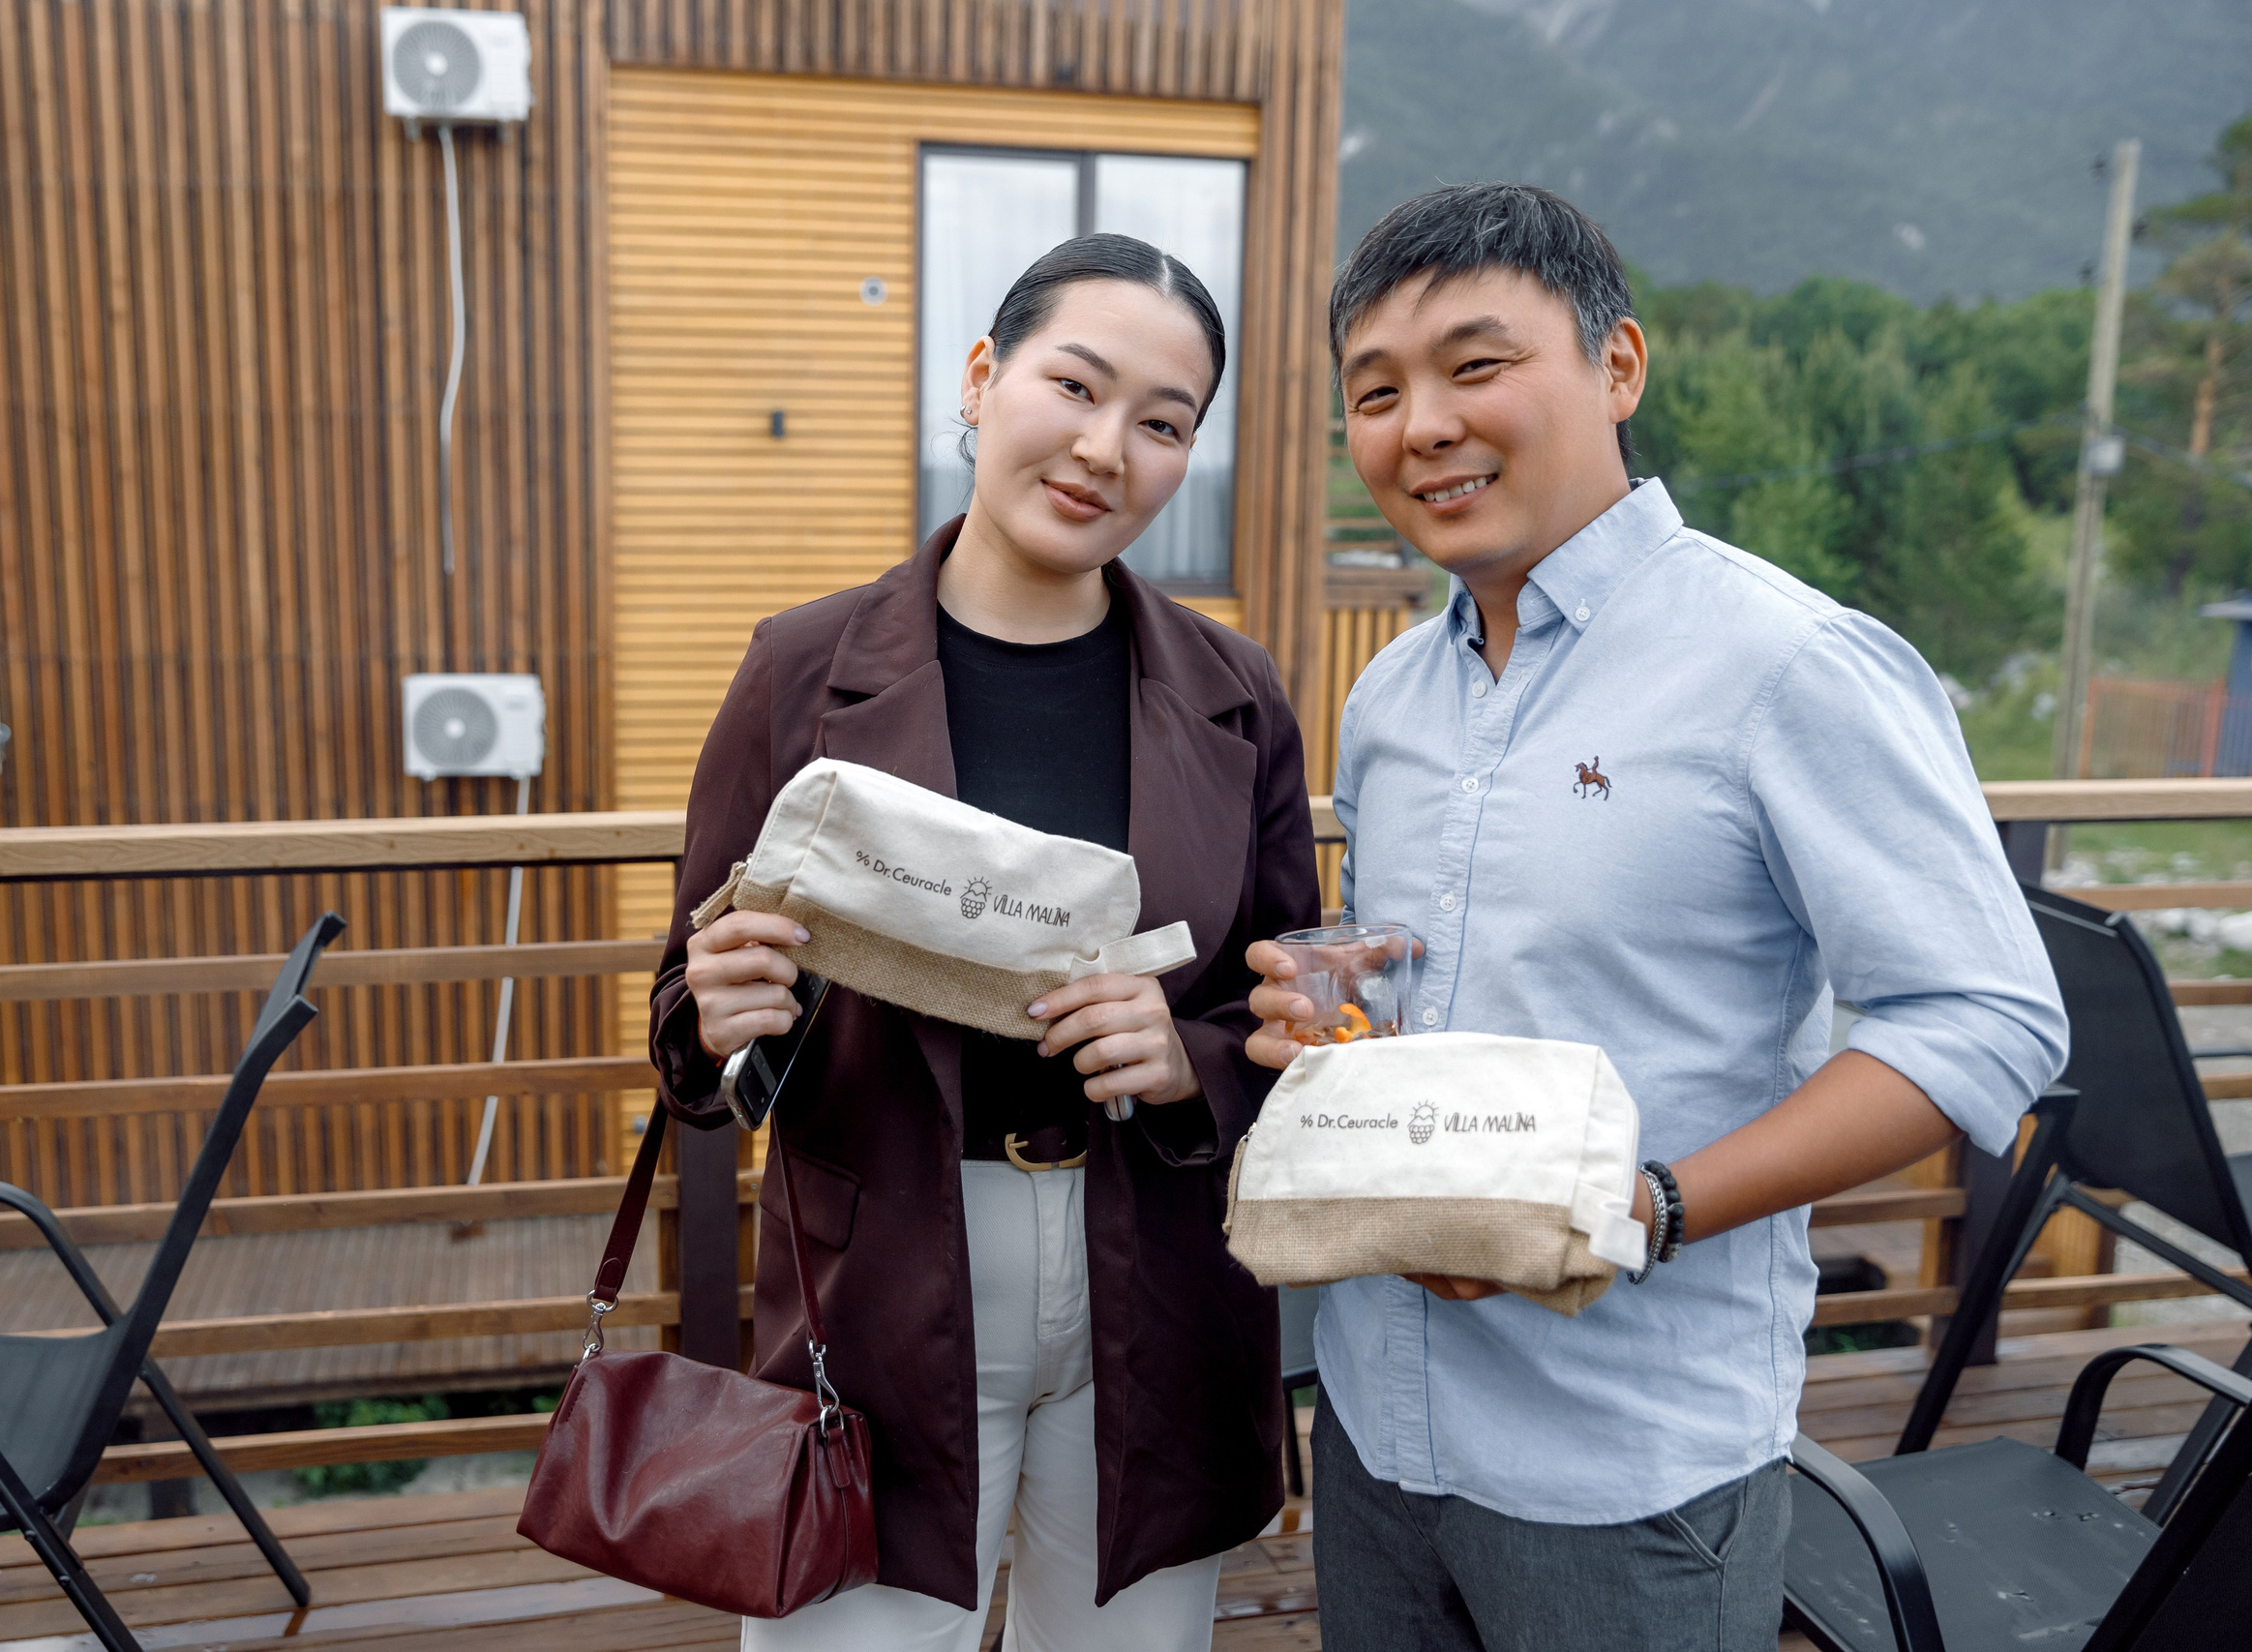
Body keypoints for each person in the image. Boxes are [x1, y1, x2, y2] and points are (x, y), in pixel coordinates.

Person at [1243, 184, 2069, 1649]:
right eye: (1375, 392)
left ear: (1618, 367)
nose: (1421, 423)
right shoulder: (1392, 699)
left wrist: (1651, 1204)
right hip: (1376, 1426)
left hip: (1625, 1467)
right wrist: (1335, 1022)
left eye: (1475, 365)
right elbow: (1427, 987)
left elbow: (1989, 1022)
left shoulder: (1787, 663)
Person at [650, 232, 1319, 1652]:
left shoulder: (1237, 697)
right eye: (1073, 386)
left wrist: (1190, 1053)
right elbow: (682, 1011)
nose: (1102, 448)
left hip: (1158, 1272)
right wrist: (716, 1011)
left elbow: (1297, 1019)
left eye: (1162, 423)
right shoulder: (801, 669)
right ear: (981, 378)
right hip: (883, 1269)